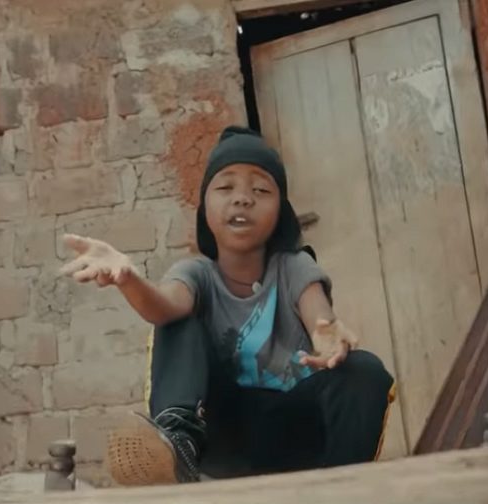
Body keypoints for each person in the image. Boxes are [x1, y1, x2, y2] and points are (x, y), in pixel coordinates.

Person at [59, 126, 395, 486]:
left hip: (296, 435)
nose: (243, 199)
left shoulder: (293, 267)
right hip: (224, 435)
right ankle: (178, 448)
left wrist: (327, 335)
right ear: (205, 208)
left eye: (261, 190)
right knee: (179, 321)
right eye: (225, 188)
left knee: (364, 370)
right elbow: (163, 305)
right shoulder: (196, 274)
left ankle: (346, 485)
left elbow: (318, 314)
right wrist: (128, 279)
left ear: (281, 211)